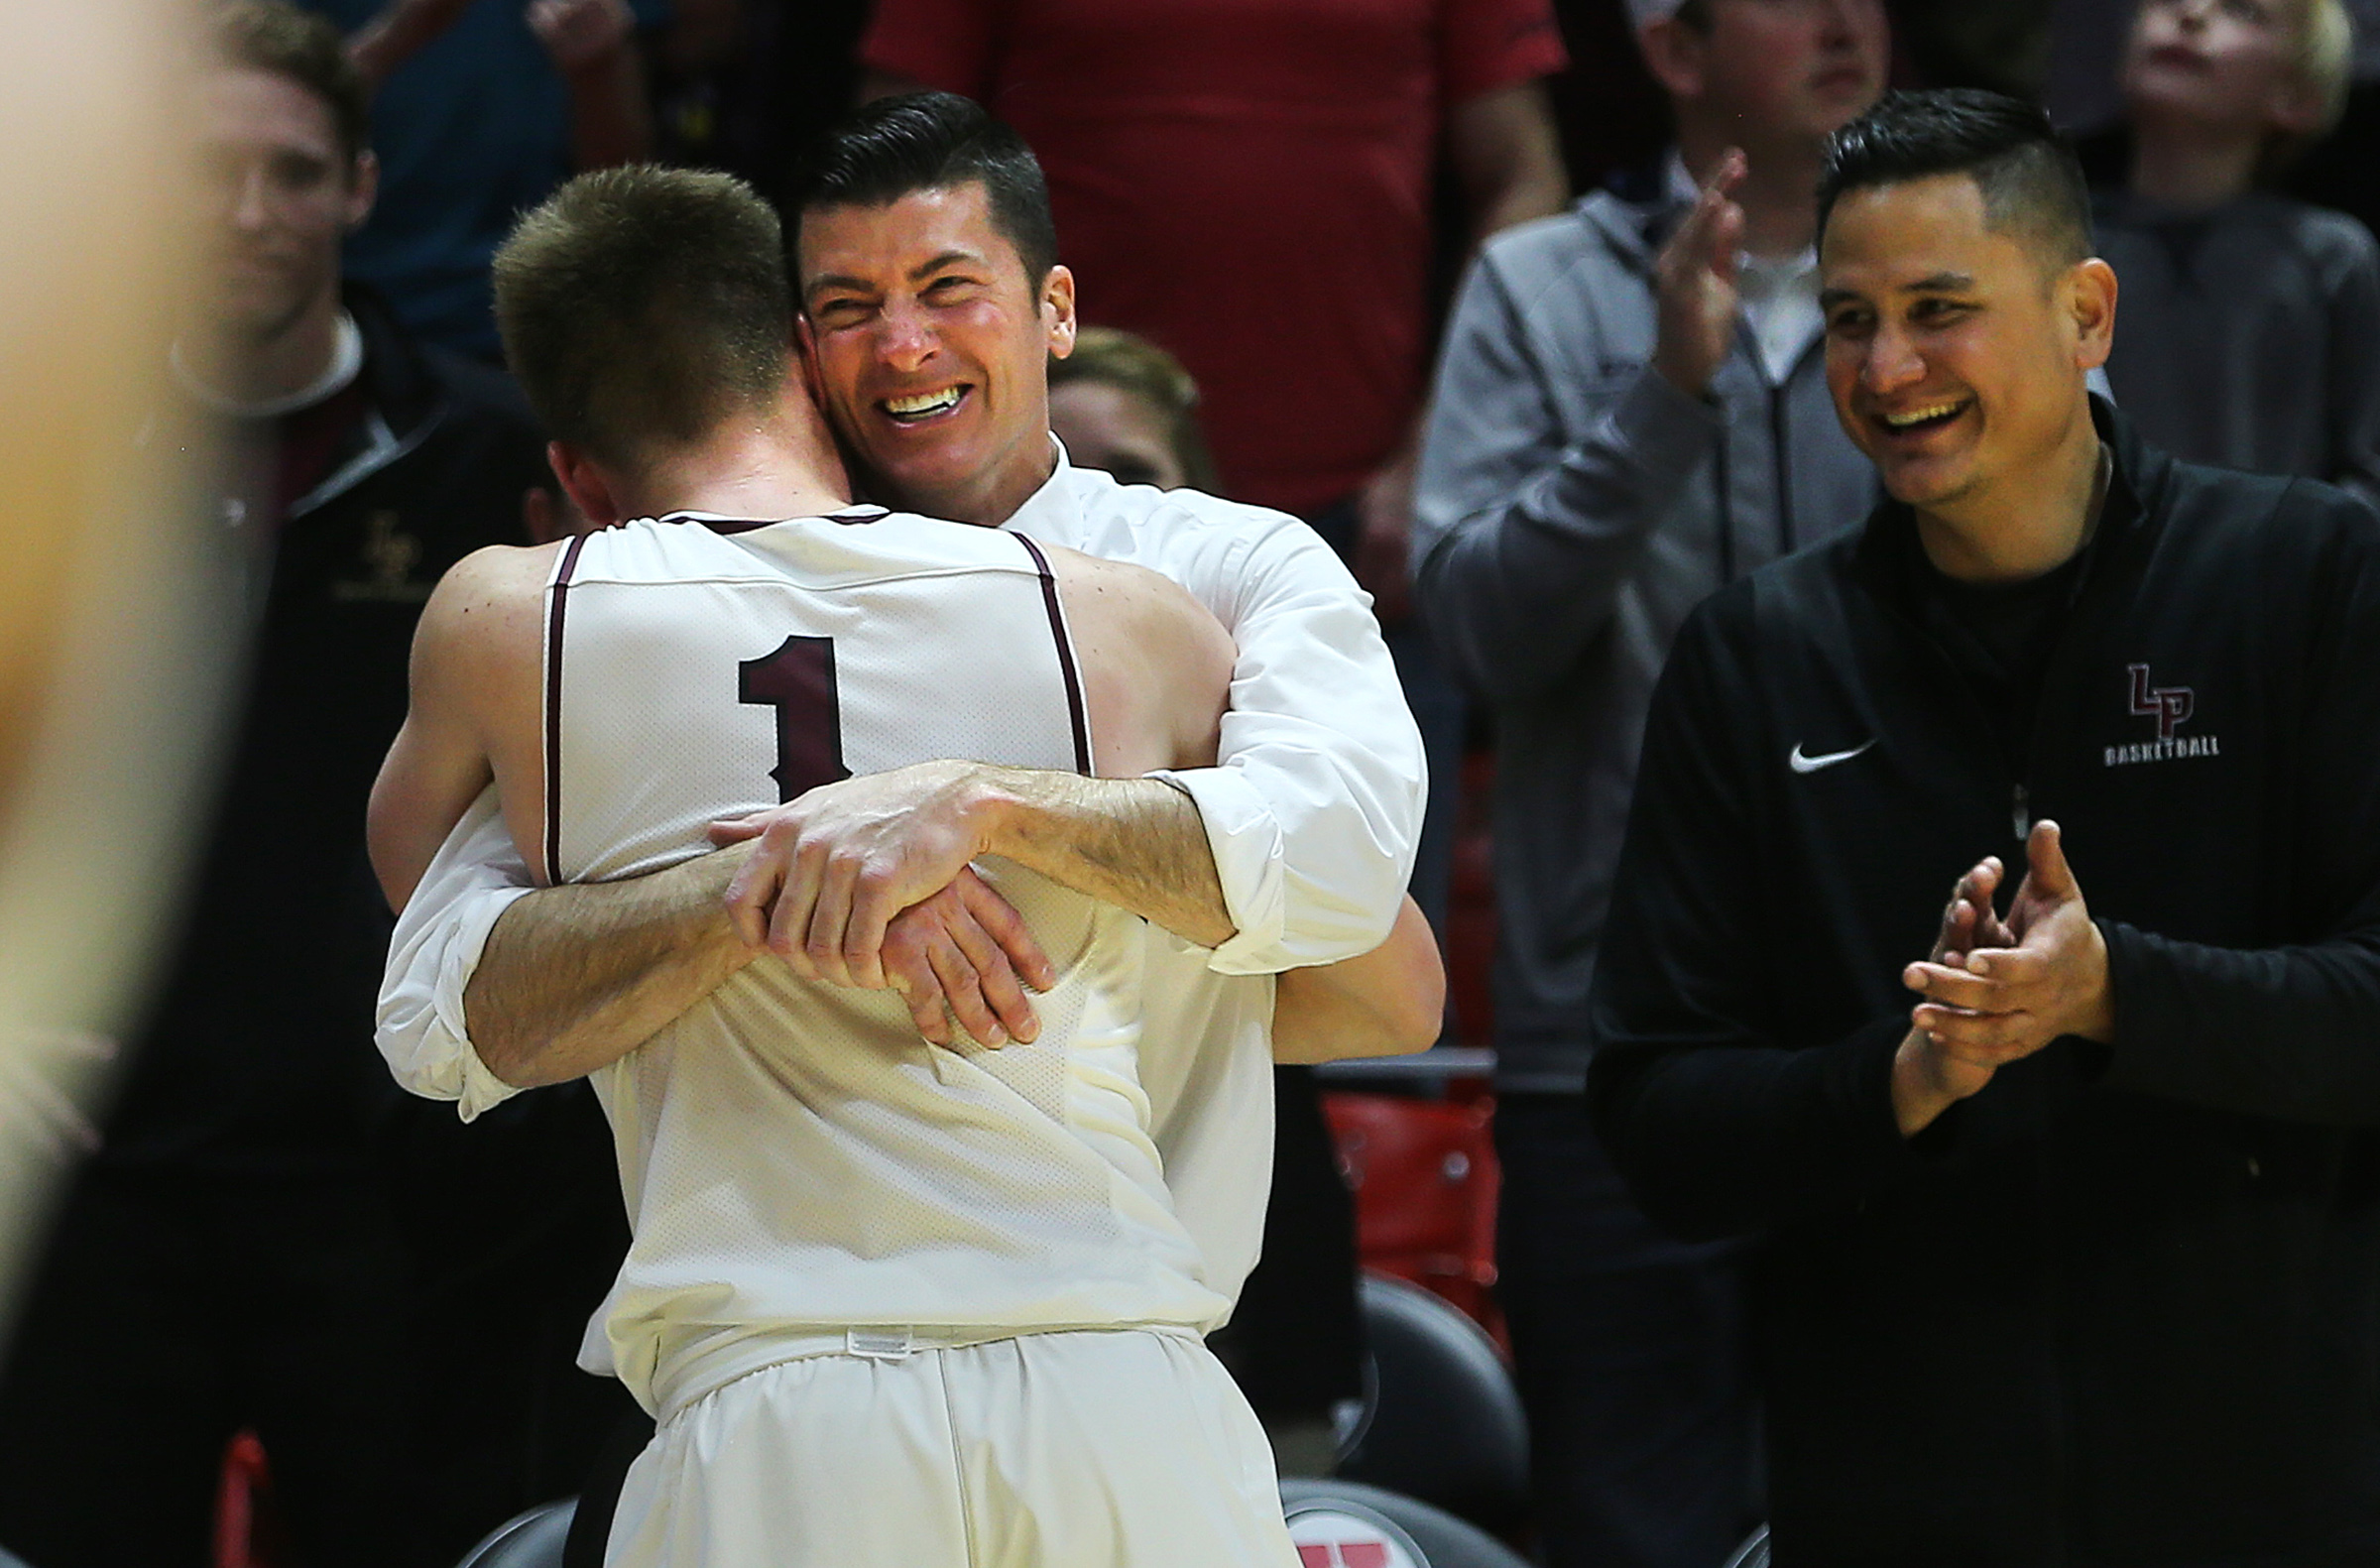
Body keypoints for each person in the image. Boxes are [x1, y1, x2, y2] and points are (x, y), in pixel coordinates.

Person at [372, 161, 1442, 1567]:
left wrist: (805, 863)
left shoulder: (522, 616)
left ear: (575, 481)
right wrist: (912, 884)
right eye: (857, 307)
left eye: (946, 293)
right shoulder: (1143, 622)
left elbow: (432, 969)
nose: (907, 348)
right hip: (1125, 1387)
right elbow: (1381, 968)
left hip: (779, 1393)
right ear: (808, 372)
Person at [1586, 87, 2380, 1563]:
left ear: (2086, 314)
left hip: (2272, 1488)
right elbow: (1656, 1113)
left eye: (1938, 310)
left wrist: (2114, 993)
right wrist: (1903, 1079)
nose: (1888, 370)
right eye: (1846, 320)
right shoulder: (1758, 654)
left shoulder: (2309, 574)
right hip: (1893, 1493)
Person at [0, 7, 610, 1566]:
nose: (248, 214)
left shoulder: (489, 469)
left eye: (289, 174)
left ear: (359, 188)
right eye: (208, 173)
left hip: (392, 1185)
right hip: (101, 1178)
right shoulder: (49, 468)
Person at [1410, 1, 1886, 1562]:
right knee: (1631, 1529)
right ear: (1675, 52)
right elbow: (1473, 621)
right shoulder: (1536, 287)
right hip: (1615, 1048)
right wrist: (1662, 405)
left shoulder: (1953, 287)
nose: (1846, 16)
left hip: (1912, 1031)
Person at [2091, 0, 2379, 505]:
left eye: (2244, 11)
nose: (2191, 14)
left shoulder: (2330, 259)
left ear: (2295, 97)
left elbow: (2367, 467)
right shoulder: (2055, 243)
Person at [303, 0, 660, 357]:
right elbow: (279, 137)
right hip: (352, 313)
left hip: (534, 318)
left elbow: (621, 192)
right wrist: (396, 38)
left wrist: (596, 69)